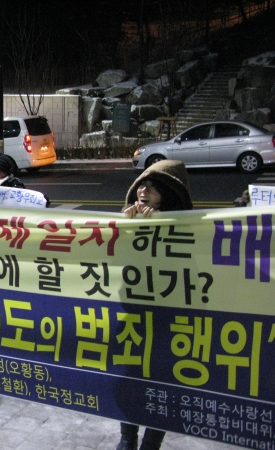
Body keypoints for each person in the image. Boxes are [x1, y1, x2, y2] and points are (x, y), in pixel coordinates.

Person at [118, 159, 193, 450]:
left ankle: (151, 443)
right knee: (129, 380)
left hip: (170, 322)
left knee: (162, 386)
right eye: (141, 185)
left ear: (169, 193)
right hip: (133, 317)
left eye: (152, 187)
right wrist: (127, 230)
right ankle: (127, 438)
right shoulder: (128, 218)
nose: (143, 191)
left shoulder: (189, 228)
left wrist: (161, 228)